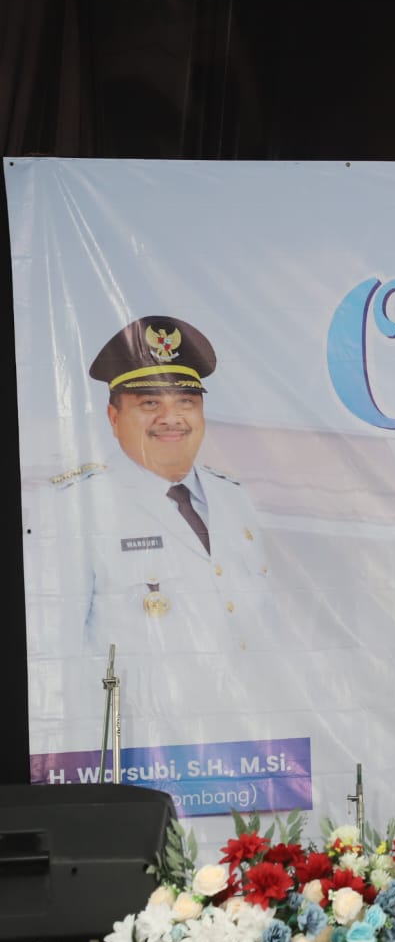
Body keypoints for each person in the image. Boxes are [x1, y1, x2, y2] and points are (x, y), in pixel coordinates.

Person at [24, 315, 276, 739]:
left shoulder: (234, 497)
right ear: (113, 416)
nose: (171, 418)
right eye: (149, 404)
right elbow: (51, 656)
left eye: (186, 402)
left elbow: (263, 632)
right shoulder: (74, 506)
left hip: (246, 740)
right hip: (140, 749)